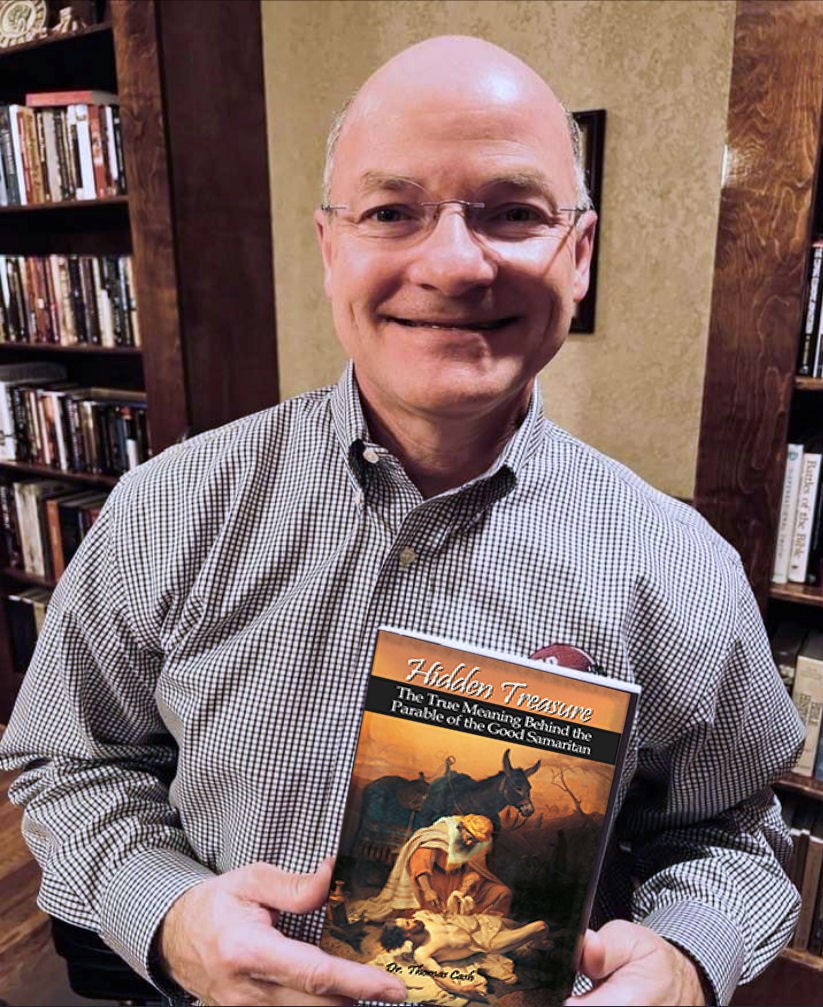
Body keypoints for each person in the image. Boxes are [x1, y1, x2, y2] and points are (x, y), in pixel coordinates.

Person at [0, 33, 804, 1007]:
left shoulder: (682, 568)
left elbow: (732, 834)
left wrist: (683, 962)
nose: (454, 264)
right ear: (330, 245)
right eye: (391, 212)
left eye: (513, 213)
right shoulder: (164, 508)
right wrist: (167, 914)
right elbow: (72, 759)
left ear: (580, 254)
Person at [351, 814, 511, 922]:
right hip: (432, 884)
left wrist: (469, 882)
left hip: (461, 886)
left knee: (502, 892)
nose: (470, 843)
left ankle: (480, 925)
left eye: (474, 842)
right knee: (427, 917)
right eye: (469, 838)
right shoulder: (439, 834)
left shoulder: (479, 845)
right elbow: (420, 861)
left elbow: (477, 869)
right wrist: (428, 890)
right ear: (462, 828)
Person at [379, 910, 550, 999]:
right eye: (408, 923)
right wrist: (462, 989)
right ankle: (535, 941)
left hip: (484, 924)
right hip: (488, 943)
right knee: (540, 926)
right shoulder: (422, 953)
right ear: (406, 935)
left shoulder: (424, 919)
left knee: (522, 926)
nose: (413, 920)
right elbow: (439, 977)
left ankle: (535, 943)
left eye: (408, 919)